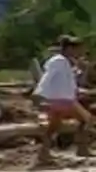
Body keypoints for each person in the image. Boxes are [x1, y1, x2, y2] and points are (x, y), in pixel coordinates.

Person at [33, 34, 90, 164]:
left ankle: (44, 153)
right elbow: (47, 78)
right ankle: (82, 148)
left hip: (59, 99)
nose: (79, 52)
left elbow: (69, 81)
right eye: (77, 49)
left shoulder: (65, 62)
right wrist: (39, 94)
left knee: (54, 127)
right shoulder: (58, 61)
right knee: (87, 120)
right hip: (63, 100)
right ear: (69, 48)